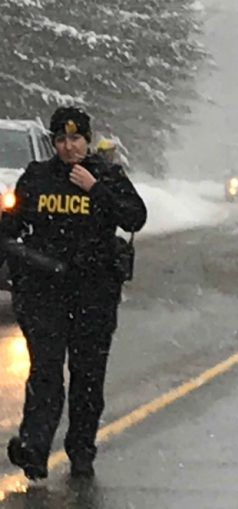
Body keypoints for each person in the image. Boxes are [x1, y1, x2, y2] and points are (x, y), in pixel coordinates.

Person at [0, 106, 146, 480]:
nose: (69, 147)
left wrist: (96, 190)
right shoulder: (36, 178)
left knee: (87, 377)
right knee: (45, 373)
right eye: (62, 140)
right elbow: (10, 228)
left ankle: (81, 451)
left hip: (93, 294)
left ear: (87, 140)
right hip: (44, 294)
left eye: (76, 139)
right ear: (54, 143)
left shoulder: (107, 176)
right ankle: (34, 448)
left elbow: (134, 218)